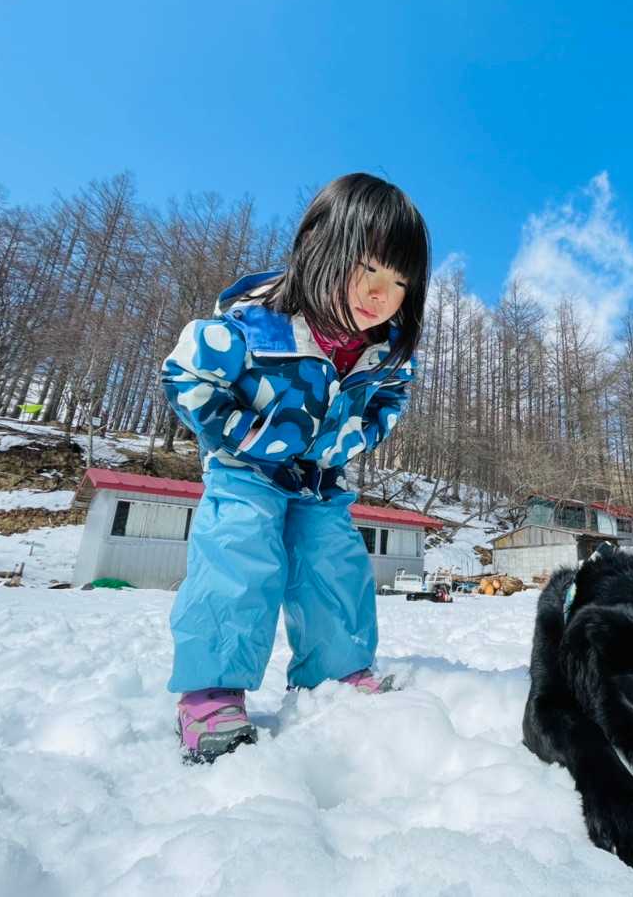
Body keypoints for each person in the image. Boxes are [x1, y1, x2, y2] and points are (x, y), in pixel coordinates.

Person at [160, 173, 430, 763]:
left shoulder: (382, 353)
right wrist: (244, 432)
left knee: (334, 563)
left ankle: (336, 673)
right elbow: (185, 374)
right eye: (368, 269)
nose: (380, 294)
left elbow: (390, 401)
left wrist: (354, 438)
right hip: (244, 471)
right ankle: (211, 693)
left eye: (399, 283)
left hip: (318, 481)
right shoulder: (256, 326)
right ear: (318, 247)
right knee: (240, 554)